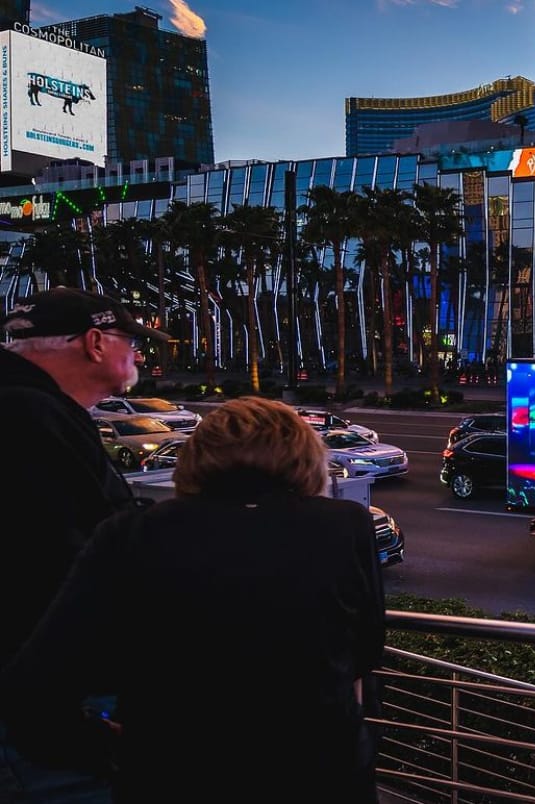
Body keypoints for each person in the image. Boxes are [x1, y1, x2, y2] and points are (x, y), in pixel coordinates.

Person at [0, 397, 386, 804]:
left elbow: (33, 690)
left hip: (176, 776)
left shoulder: (132, 533)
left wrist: (112, 751)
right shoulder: (344, 525)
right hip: (320, 773)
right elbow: (365, 648)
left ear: (195, 458)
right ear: (307, 457)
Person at [1, 287, 168, 803]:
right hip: (40, 721)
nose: (138, 354)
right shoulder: (27, 420)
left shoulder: (32, 409)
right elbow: (52, 570)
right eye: (131, 340)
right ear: (94, 343)